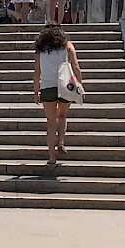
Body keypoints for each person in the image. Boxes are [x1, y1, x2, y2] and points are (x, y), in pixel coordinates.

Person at [34, 23, 85, 165]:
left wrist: (36, 91)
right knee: (62, 115)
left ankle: (51, 156)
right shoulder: (67, 46)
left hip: (47, 87)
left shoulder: (40, 50)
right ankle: (61, 141)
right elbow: (75, 66)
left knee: (51, 122)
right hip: (65, 86)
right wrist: (80, 85)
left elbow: (37, 72)